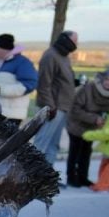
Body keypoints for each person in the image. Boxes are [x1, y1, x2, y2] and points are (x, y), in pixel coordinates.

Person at [65, 67, 109, 187]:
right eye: (107, 79)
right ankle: (71, 178)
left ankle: (83, 178)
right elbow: (75, 109)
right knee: (75, 152)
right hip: (77, 123)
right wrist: (95, 118)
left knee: (86, 152)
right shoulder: (88, 88)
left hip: (93, 127)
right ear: (102, 78)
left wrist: (106, 119)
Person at [33, 30, 79, 173]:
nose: (76, 44)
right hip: (54, 107)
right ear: (66, 40)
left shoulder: (64, 56)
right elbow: (44, 83)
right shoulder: (50, 55)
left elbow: (61, 79)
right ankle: (33, 177)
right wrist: (50, 106)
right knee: (42, 143)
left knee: (54, 144)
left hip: (64, 106)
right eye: (75, 41)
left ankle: (48, 178)